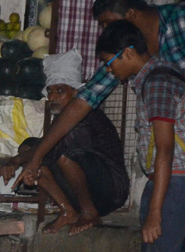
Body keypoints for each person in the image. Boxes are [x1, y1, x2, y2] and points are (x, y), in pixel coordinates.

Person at [20, 0, 185, 187]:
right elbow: (84, 100)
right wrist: (38, 156)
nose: (105, 31)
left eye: (107, 23)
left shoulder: (180, 19)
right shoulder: (125, 53)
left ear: (130, 14)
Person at [96, 19, 185, 252]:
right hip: (172, 183)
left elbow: (165, 149)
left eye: (110, 63)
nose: (109, 71)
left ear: (128, 53)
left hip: (172, 184)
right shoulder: (167, 75)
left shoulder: (158, 83)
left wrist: (155, 212)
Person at [0, 51, 128, 235]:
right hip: (84, 190)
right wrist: (19, 158)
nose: (53, 98)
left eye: (60, 91)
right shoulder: (59, 122)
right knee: (29, 146)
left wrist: (18, 161)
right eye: (50, 91)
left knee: (61, 154)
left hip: (111, 192)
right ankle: (68, 211)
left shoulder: (86, 116)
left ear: (75, 92)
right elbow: (42, 149)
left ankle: (89, 213)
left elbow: (56, 149)